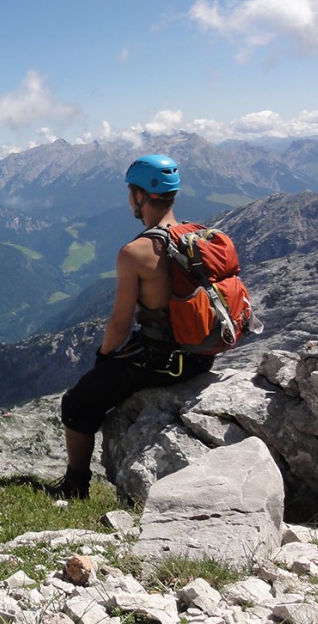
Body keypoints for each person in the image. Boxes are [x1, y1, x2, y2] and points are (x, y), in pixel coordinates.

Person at [54, 154, 215, 499]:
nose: (129, 198)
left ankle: (74, 486)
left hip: (164, 363)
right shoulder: (199, 236)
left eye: (131, 191)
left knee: (77, 404)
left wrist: (104, 356)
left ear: (140, 196)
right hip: (203, 355)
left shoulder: (137, 252)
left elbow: (120, 322)